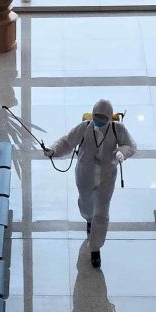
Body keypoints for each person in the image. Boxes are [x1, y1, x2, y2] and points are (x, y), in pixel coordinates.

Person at [44, 99, 136, 268]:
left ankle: (95, 248)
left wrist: (122, 152)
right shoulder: (85, 127)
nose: (99, 119)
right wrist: (53, 150)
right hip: (85, 175)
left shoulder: (118, 129)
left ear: (109, 117)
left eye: (103, 117)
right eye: (96, 116)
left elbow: (131, 145)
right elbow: (67, 142)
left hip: (106, 177)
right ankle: (88, 219)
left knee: (102, 213)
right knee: (86, 205)